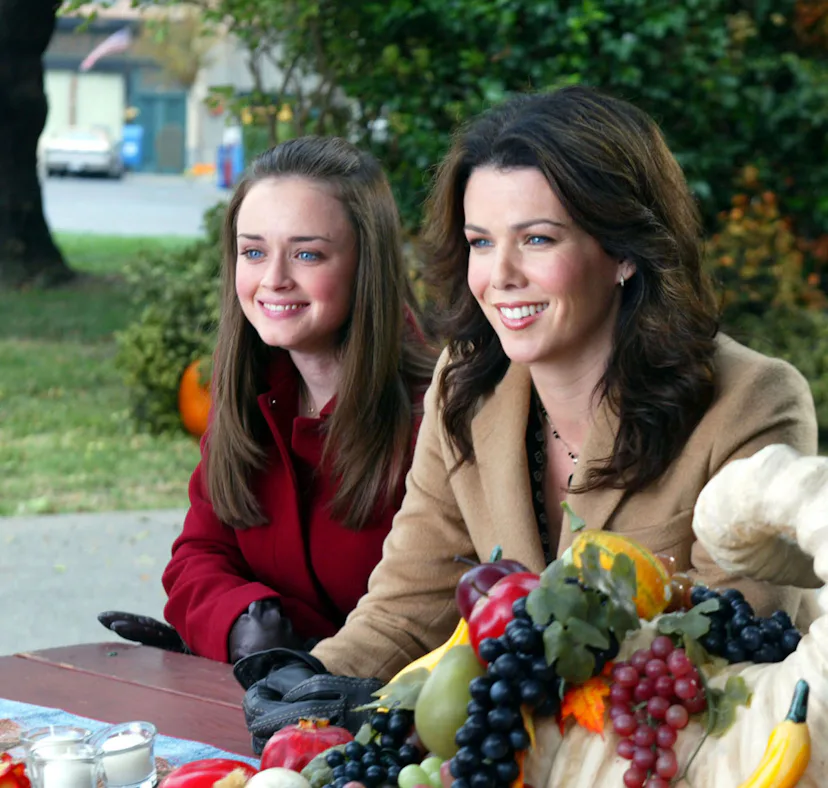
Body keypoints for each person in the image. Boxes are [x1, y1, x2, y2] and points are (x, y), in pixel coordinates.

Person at [240, 85, 819, 728]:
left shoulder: (752, 403)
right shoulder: (465, 386)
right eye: (481, 243)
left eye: (538, 240)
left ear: (624, 251)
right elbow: (407, 607)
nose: (501, 275)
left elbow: (721, 663)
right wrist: (313, 680)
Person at [99, 136, 437, 663]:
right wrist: (240, 621)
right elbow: (199, 555)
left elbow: (427, 610)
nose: (273, 280)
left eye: (306, 254)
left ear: (365, 265)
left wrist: (298, 652)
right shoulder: (250, 394)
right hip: (262, 711)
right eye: (253, 252)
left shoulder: (435, 412)